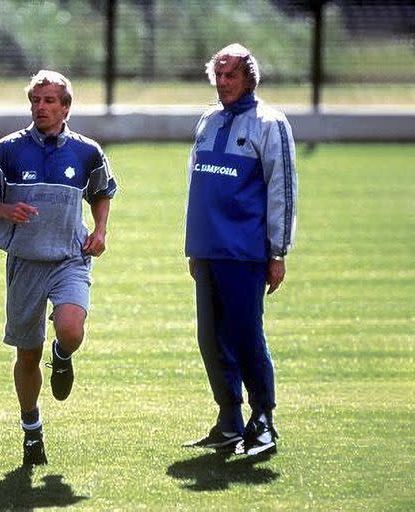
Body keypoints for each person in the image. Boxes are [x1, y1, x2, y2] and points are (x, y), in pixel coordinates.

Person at [0, 70, 117, 466]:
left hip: (69, 258)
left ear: (66, 108)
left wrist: (99, 231)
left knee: (71, 330)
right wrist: (3, 209)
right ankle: (32, 431)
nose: (42, 108)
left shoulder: (87, 152)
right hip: (25, 265)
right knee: (27, 356)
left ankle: (62, 355)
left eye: (50, 101)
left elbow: (101, 192)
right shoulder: (8, 151)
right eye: (36, 101)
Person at [182, 43, 297, 456]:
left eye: (231, 74)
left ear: (249, 77)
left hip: (245, 251)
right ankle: (229, 417)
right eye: (219, 74)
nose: (224, 82)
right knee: (209, 338)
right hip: (207, 249)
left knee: (245, 334)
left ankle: (263, 418)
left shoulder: (271, 123)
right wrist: (192, 245)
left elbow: (283, 189)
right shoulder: (208, 119)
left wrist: (278, 251)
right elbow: (196, 185)